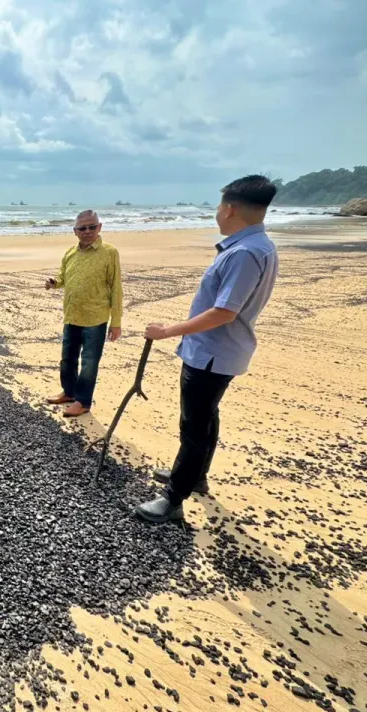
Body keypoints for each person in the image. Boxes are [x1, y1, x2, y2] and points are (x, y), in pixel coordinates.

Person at [135, 175, 279, 523]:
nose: (217, 213)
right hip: (219, 351)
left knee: (194, 426)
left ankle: (173, 499)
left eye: (218, 206)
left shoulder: (245, 253)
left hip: (213, 353)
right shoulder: (257, 246)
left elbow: (224, 312)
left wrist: (167, 331)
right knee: (206, 417)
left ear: (229, 209)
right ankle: (195, 477)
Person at [45, 210, 123, 417]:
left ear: (100, 227)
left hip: (95, 319)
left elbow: (116, 288)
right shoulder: (70, 253)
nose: (87, 231)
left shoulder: (109, 252)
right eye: (82, 228)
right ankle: (69, 393)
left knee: (89, 363)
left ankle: (83, 401)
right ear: (75, 231)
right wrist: (54, 283)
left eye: (91, 227)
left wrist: (116, 322)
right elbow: (63, 277)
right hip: (72, 315)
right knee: (67, 359)